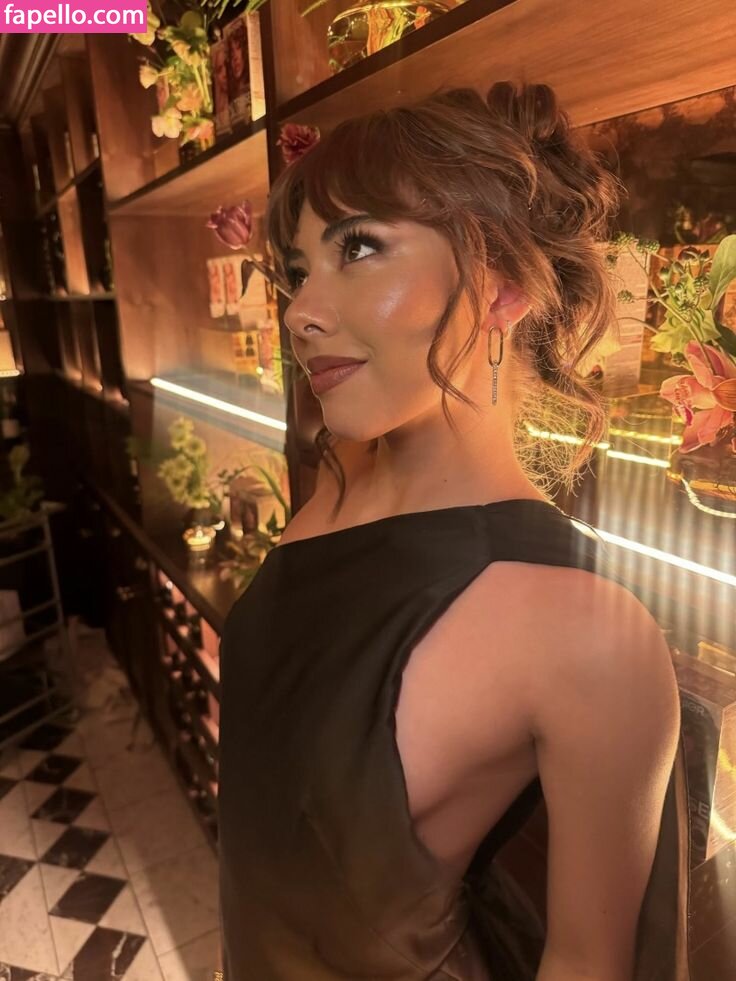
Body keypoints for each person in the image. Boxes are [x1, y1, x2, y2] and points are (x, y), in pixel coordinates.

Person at [217, 82, 690, 980]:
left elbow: (589, 963)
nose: (298, 311)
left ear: (503, 283)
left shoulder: (582, 632)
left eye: (360, 247)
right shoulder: (334, 486)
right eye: (298, 269)